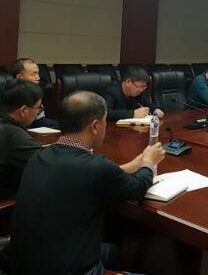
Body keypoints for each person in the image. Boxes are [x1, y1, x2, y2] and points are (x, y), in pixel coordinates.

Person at [12, 91, 165, 275]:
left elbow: (90, 174)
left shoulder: (40, 155)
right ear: (95, 126)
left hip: (27, 264)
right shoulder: (95, 166)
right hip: (71, 269)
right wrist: (148, 162)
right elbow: (138, 188)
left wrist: (134, 165)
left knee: (112, 252)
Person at [0, 80, 43, 201]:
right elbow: (47, 163)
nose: (38, 113)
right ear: (23, 110)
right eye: (38, 108)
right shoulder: (13, 134)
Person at [10, 58, 57, 127]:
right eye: (33, 74)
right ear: (19, 77)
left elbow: (39, 119)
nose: (38, 78)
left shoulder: (35, 91)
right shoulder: (9, 93)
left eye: (38, 73)